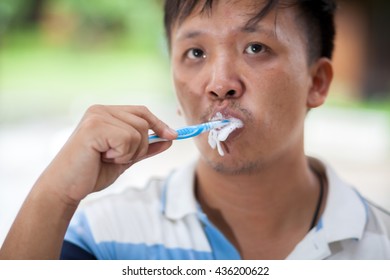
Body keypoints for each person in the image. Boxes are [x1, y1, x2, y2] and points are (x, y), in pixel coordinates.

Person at [1, 0, 390, 260]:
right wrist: (55, 195)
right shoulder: (103, 237)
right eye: (196, 53)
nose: (219, 83)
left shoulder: (382, 246)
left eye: (255, 48)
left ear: (317, 82)